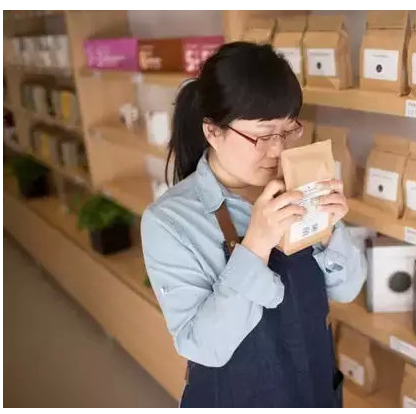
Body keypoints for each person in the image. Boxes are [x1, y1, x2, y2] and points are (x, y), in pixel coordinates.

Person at [141, 41, 366, 408]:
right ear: (212, 131)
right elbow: (205, 347)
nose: (277, 150)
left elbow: (347, 290)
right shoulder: (169, 222)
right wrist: (256, 245)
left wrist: (332, 230)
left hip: (313, 390)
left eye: (288, 130)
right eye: (262, 136)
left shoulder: (298, 183)